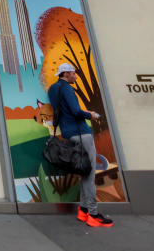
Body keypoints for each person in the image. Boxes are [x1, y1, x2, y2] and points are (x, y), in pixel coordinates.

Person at [47, 62, 113, 228]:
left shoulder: (52, 89)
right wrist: (90, 115)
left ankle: (83, 211)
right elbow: (76, 112)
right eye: (74, 73)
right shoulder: (68, 89)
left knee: (83, 172)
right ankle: (93, 214)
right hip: (81, 134)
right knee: (89, 174)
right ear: (66, 74)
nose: (76, 76)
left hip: (69, 135)